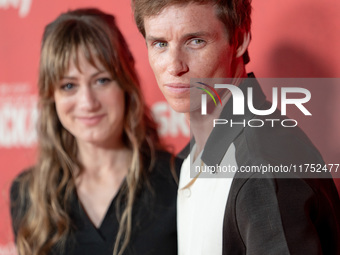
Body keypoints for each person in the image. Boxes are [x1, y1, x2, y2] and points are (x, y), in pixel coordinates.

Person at [131, 0, 340, 254]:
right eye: (160, 44)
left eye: (195, 41)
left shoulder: (261, 167)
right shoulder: (193, 156)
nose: (174, 67)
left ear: (239, 40)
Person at [10, 8, 181, 255]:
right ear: (52, 96)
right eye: (69, 85)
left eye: (102, 80)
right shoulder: (27, 193)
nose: (88, 102)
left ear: (125, 83)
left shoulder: (177, 180)